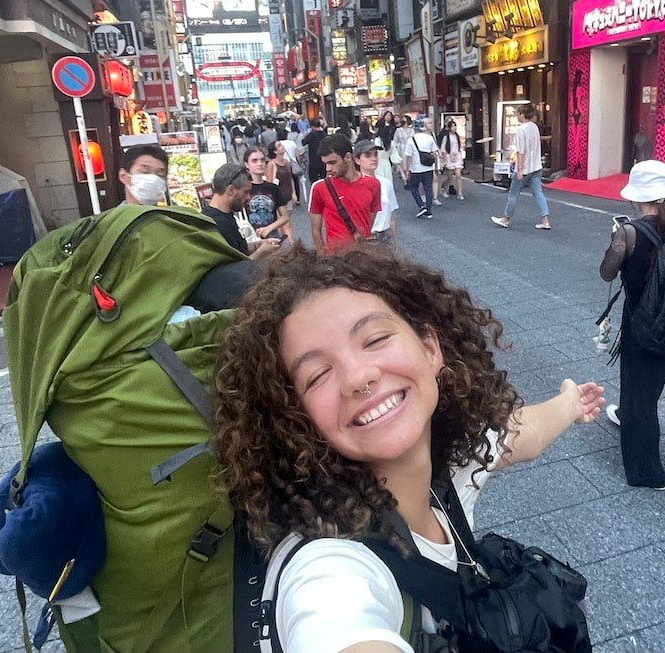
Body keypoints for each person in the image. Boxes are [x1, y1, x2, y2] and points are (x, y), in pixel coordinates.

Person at [212, 245, 605, 652]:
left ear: (431, 349)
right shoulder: (329, 570)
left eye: (376, 338)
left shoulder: (447, 470)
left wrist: (571, 403)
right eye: (317, 375)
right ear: (298, 418)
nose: (358, 377)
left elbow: (521, 435)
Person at [600, 161, 665, 491]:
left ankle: (649, 474)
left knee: (638, 396)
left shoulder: (629, 231)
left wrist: (614, 240)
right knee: (650, 386)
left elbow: (607, 272)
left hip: (641, 320)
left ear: (637, 197)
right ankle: (631, 416)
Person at [308, 134, 381, 252]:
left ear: (347, 157)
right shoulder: (319, 188)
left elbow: (368, 223)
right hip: (335, 260)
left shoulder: (373, 185)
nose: (327, 169)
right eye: (325, 163)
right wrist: (322, 258)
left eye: (332, 162)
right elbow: (315, 230)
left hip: (363, 258)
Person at [201, 163, 281, 260]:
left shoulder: (223, 215)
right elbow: (234, 269)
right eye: (245, 192)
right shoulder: (218, 224)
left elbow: (237, 248)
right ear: (230, 190)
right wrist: (262, 252)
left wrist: (259, 244)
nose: (248, 197)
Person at [490, 104, 551, 230]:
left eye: (518, 114)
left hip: (525, 167)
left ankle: (505, 219)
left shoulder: (521, 130)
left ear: (522, 115)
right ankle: (545, 220)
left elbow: (521, 151)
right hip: (536, 166)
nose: (517, 116)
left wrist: (519, 169)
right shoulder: (534, 127)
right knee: (538, 193)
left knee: (513, 194)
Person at [355, 139, 397, 246]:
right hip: (367, 236)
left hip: (386, 235)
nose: (373, 159)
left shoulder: (385, 183)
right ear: (357, 160)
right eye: (368, 155)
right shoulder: (354, 185)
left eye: (375, 155)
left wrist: (395, 240)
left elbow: (390, 215)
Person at [242, 147, 290, 240]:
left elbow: (285, 216)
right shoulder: (242, 188)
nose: (260, 164)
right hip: (250, 236)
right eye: (254, 161)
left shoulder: (273, 188)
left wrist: (269, 228)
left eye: (262, 160)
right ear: (247, 164)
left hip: (272, 235)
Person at [402, 117, 439, 219]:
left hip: (416, 168)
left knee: (414, 187)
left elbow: (408, 156)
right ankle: (429, 211)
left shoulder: (411, 140)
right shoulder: (429, 138)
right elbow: (435, 153)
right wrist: (435, 166)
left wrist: (407, 169)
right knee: (428, 188)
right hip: (428, 168)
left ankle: (421, 205)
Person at [266, 141, 297, 240]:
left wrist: (294, 193)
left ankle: (280, 244)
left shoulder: (286, 162)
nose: (282, 147)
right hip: (278, 200)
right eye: (279, 146)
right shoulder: (272, 164)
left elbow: (291, 178)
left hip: (287, 196)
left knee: (282, 224)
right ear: (275, 151)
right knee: (286, 224)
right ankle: (293, 246)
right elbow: (269, 182)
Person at [437, 119, 465, 201]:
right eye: (452, 126)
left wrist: (460, 155)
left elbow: (460, 147)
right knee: (450, 177)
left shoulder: (457, 136)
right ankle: (444, 187)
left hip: (457, 157)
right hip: (449, 158)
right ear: (449, 128)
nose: (454, 128)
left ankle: (460, 193)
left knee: (459, 175)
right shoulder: (446, 137)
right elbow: (443, 149)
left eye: (455, 126)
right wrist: (445, 159)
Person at [302, 118, 328, 185]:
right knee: (324, 181)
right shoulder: (324, 135)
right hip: (323, 161)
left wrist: (305, 136)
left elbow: (303, 142)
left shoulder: (311, 135)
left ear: (312, 126)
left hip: (313, 161)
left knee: (313, 181)